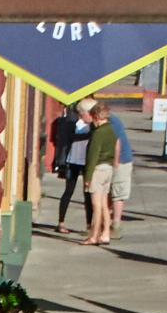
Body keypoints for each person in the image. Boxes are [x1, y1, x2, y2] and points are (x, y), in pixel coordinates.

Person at [83, 101, 123, 245]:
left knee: (96, 204)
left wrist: (87, 177)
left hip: (98, 169)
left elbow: (93, 156)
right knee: (104, 204)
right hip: (108, 168)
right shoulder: (111, 130)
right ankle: (106, 233)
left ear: (96, 116)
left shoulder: (98, 133)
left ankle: (94, 235)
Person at [50, 99, 93, 230]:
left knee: (88, 193)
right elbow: (70, 137)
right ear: (82, 113)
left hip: (87, 161)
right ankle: (61, 222)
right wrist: (88, 135)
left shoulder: (93, 125)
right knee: (69, 190)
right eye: (89, 112)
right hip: (73, 160)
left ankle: (89, 225)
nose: (91, 115)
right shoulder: (73, 123)